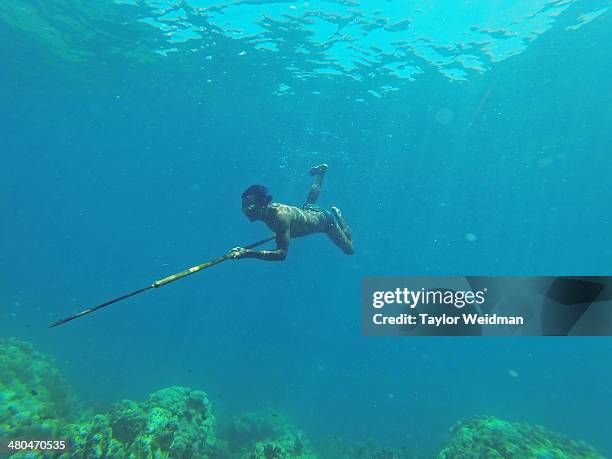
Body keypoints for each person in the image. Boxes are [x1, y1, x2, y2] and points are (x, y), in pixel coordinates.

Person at [228, 164, 354, 261]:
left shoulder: (281, 218)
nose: (245, 211)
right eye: (243, 207)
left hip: (326, 221)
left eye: (249, 207)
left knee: (349, 249)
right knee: (310, 202)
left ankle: (339, 217)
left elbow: (281, 254)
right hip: (309, 212)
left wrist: (247, 253)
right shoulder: (268, 212)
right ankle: (320, 173)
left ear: (263, 204)